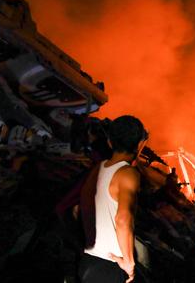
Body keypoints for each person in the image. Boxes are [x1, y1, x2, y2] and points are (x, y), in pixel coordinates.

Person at [79, 115, 148, 283]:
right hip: (109, 266)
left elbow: (82, 207)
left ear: (109, 142)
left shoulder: (98, 168)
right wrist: (129, 262)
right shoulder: (128, 174)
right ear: (140, 144)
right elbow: (123, 219)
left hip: (88, 260)